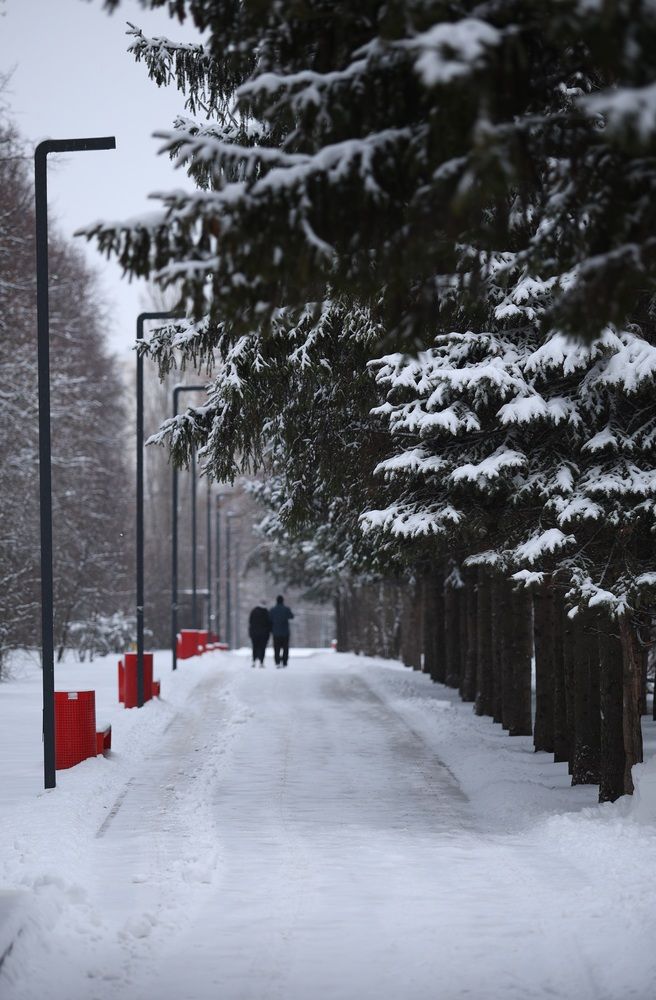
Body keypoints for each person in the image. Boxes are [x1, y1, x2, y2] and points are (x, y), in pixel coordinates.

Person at [270, 594, 294, 668]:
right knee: (285, 648)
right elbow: (291, 616)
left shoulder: (273, 610)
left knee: (276, 648)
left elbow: (269, 619)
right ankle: (284, 661)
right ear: (283, 601)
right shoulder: (286, 609)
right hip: (285, 632)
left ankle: (277, 661)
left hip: (276, 632)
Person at [248, 601, 271, 668]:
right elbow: (269, 623)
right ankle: (261, 661)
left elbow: (250, 622)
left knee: (255, 647)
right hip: (264, 634)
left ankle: (254, 660)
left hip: (254, 633)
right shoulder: (266, 612)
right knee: (262, 648)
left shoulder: (254, 611)